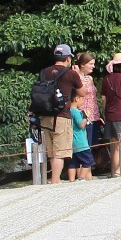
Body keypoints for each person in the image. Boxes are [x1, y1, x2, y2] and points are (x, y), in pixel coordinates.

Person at [32, 46, 82, 181]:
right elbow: (82, 92)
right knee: (60, 152)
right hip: (62, 115)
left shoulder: (44, 72)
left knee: (51, 151)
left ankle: (55, 179)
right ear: (67, 58)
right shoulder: (71, 73)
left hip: (45, 115)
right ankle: (55, 180)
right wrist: (79, 75)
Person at [70, 51, 99, 179]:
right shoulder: (76, 77)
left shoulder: (91, 78)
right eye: (91, 64)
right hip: (82, 115)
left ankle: (88, 176)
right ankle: (83, 177)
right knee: (83, 148)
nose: (93, 66)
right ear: (82, 64)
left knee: (90, 147)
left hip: (93, 115)